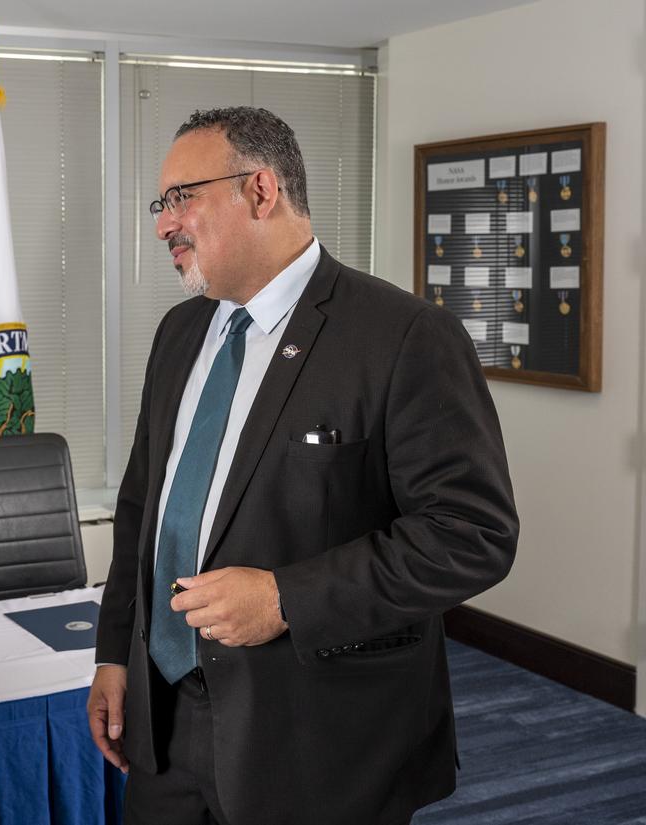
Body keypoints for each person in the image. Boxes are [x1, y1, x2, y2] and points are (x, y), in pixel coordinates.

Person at [87, 106, 518, 825]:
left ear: (261, 191)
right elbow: (143, 509)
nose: (164, 223)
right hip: (163, 729)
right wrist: (113, 655)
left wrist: (289, 597)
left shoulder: (404, 336)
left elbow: (472, 533)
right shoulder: (178, 333)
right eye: (162, 204)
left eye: (181, 197)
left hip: (317, 746)